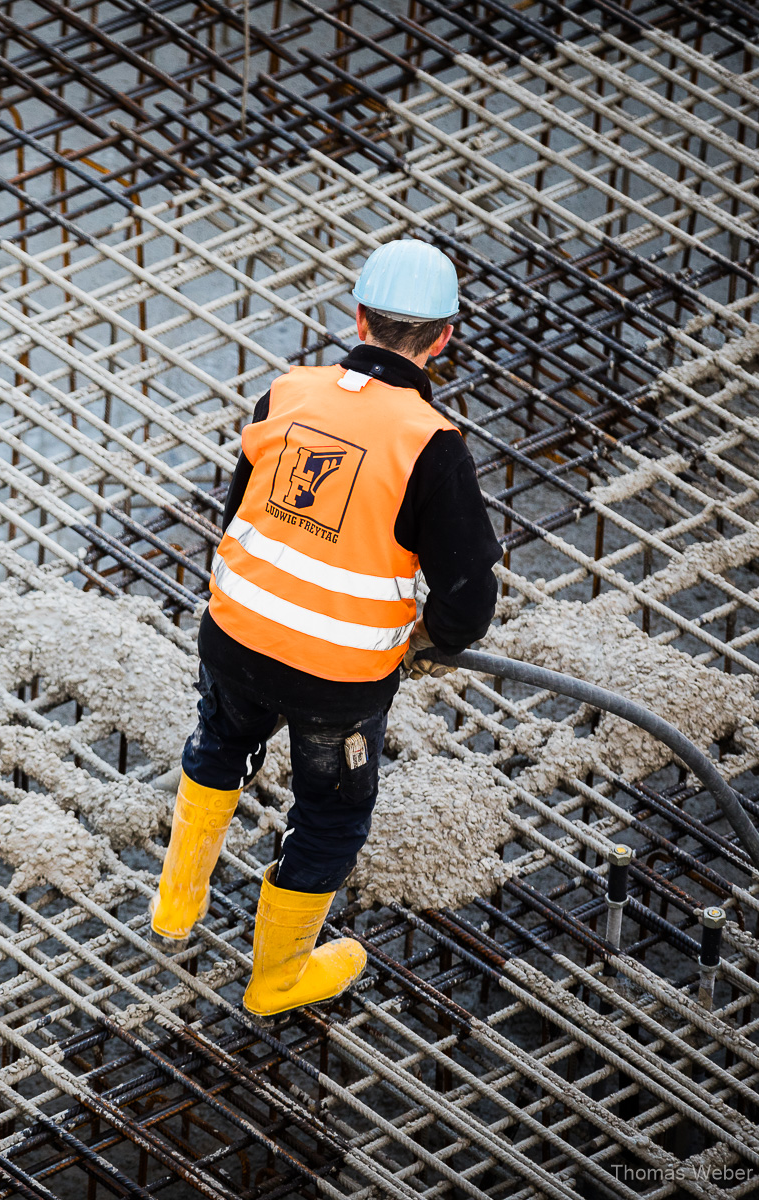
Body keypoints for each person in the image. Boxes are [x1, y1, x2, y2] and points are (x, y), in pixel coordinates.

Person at [153, 241, 500, 1017]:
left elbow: (244, 502)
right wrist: (429, 640)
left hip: (235, 631)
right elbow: (468, 593)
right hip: (335, 677)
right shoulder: (431, 445)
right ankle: (275, 978)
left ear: (358, 317)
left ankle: (178, 904)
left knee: (219, 745)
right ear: (443, 337)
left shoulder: (287, 392)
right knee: (330, 815)